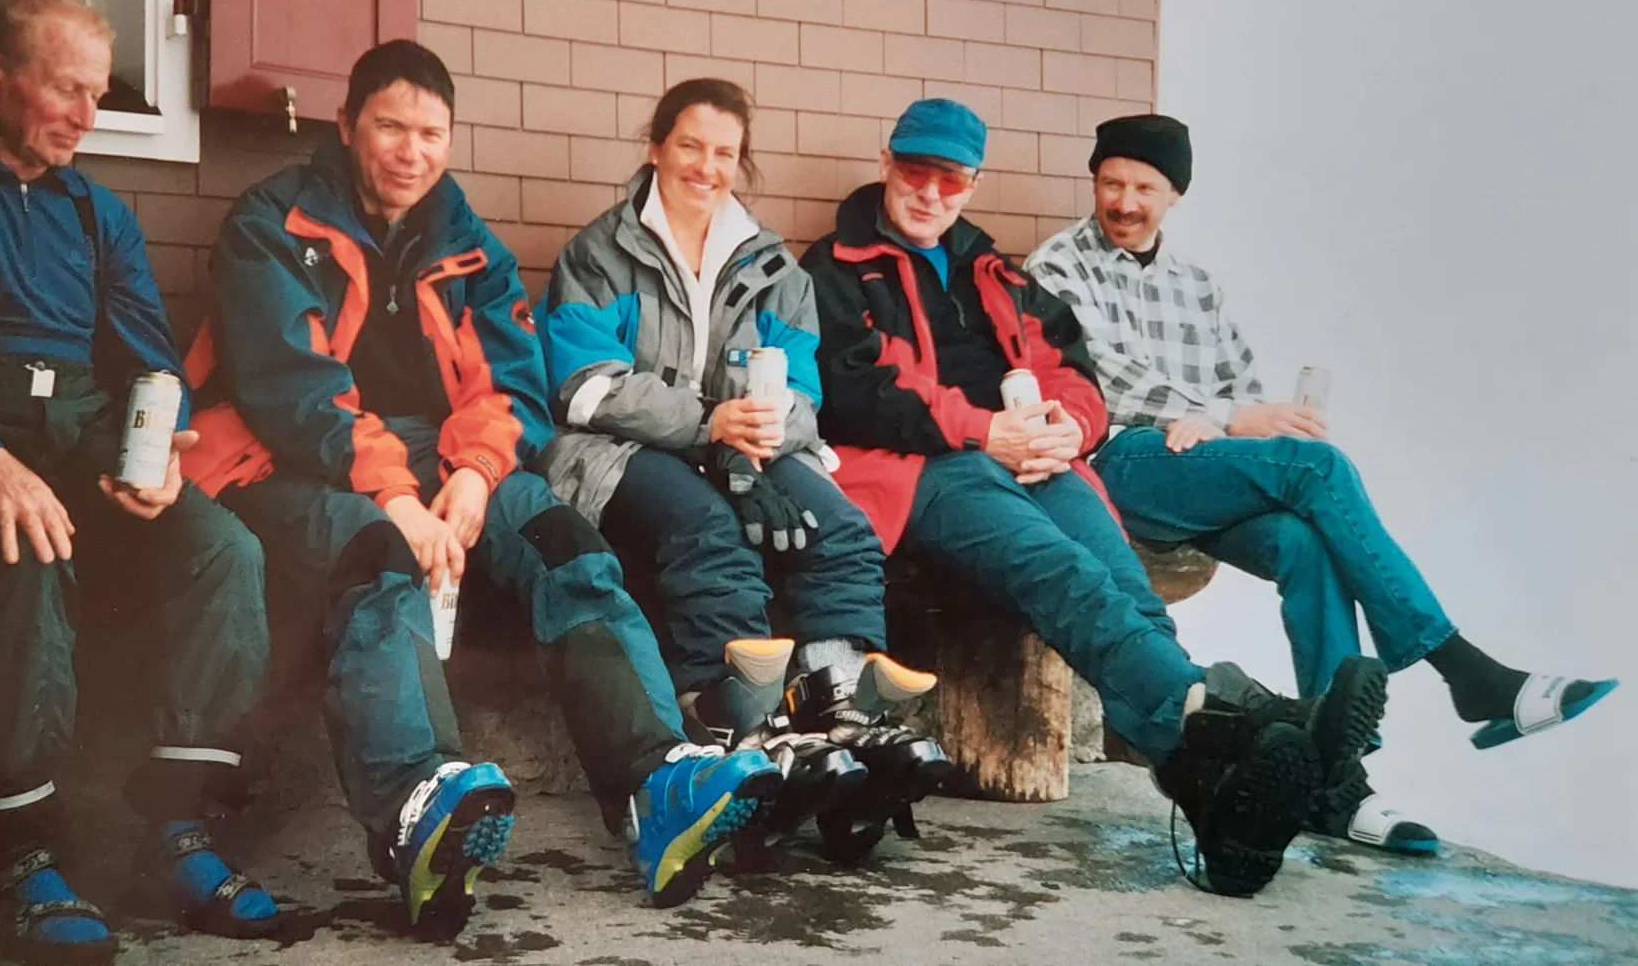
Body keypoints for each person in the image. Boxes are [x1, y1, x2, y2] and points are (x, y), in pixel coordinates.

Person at [185, 40, 778, 940]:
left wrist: (476, 473)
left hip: (433, 456)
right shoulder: (273, 223)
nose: (410, 151)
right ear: (347, 125)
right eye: (390, 127)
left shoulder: (468, 243)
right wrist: (397, 495)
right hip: (282, 457)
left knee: (561, 538)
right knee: (382, 551)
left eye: (431, 133)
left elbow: (510, 384)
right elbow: (291, 390)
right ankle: (415, 803)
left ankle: (656, 780)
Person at [801, 97, 1392, 898]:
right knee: (1065, 574)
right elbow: (855, 391)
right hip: (923, 470)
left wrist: (1066, 431)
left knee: (1128, 589)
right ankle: (1243, 723)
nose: (931, 192)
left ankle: (1214, 795)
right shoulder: (834, 270)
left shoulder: (992, 270)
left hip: (1037, 461)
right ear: (886, 164)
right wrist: (984, 430)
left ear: (973, 184)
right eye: (916, 171)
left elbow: (1076, 374)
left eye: (952, 178)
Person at [1025, 113, 1619, 854]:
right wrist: (1216, 415)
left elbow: (1241, 386)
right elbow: (1092, 377)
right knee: (1320, 467)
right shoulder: (1058, 265)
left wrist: (1218, 423)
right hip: (1118, 462)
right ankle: (1464, 669)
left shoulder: (1198, 288)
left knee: (1303, 542)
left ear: (1175, 194)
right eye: (1111, 183)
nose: (1124, 202)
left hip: (1198, 467)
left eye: (1144, 187)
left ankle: (1341, 782)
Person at [0, 0, 280, 963]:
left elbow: (149, 361)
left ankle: (176, 830)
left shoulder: (95, 214)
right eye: (66, 89)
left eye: (98, 94)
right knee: (25, 546)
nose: (87, 115)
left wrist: (153, 456)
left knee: (223, 550)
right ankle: (18, 849)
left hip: (81, 432)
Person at [537, 78, 949, 861]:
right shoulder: (599, 255)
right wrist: (707, 425)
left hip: (740, 449)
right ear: (655, 148)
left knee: (841, 529)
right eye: (690, 146)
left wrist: (750, 434)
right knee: (708, 526)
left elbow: (802, 391)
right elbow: (587, 387)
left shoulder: (771, 265)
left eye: (724, 153)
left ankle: (835, 709)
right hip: (617, 452)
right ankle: (735, 720)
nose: (707, 166)